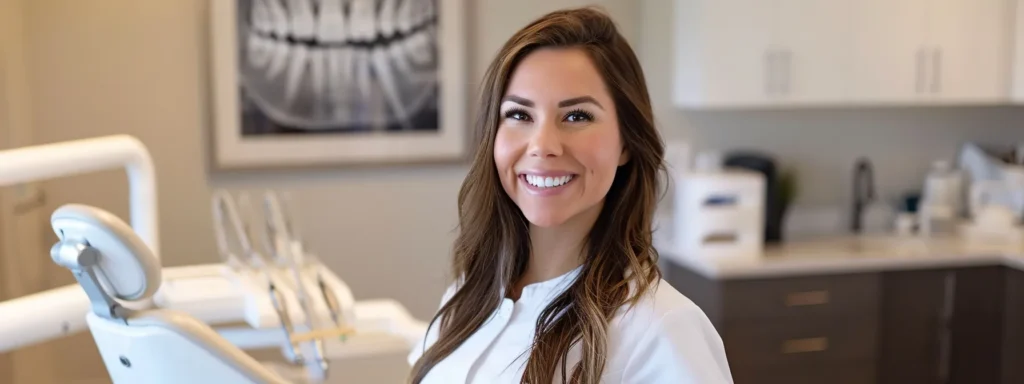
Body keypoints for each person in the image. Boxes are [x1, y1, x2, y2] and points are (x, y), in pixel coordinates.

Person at [407, 7, 733, 384]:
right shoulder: (469, 292)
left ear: (626, 142)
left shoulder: (663, 330)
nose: (543, 146)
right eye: (519, 115)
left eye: (577, 116)